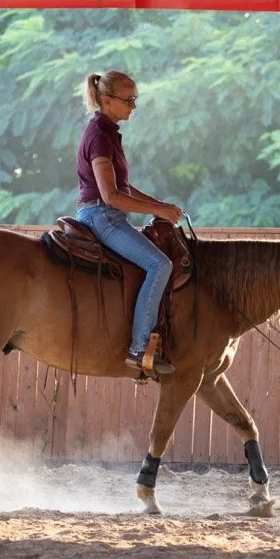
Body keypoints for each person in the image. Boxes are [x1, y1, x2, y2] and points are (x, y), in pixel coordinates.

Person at [75, 71, 183, 375]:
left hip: (102, 213)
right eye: (128, 100)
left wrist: (160, 206)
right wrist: (157, 208)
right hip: (102, 216)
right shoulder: (99, 136)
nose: (133, 106)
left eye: (135, 99)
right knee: (160, 265)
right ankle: (139, 348)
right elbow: (111, 196)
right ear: (107, 100)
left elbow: (123, 187)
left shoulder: (107, 132)